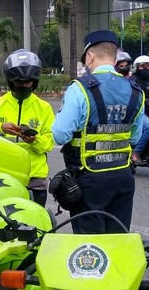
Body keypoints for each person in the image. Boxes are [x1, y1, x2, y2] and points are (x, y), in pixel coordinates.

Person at [50, 30, 144, 234]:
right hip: (123, 176)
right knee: (117, 241)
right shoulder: (136, 90)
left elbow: (59, 134)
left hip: (90, 179)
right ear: (115, 56)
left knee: (91, 249)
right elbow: (135, 137)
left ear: (90, 56)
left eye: (86, 60)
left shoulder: (80, 88)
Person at [0, 49, 55, 206]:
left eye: (27, 82)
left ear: (34, 81)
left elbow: (49, 141)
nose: (23, 86)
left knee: (35, 224)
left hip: (34, 177)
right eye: (19, 82)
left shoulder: (44, 108)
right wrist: (1, 128)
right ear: (11, 81)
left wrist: (34, 140)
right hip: (3, 175)